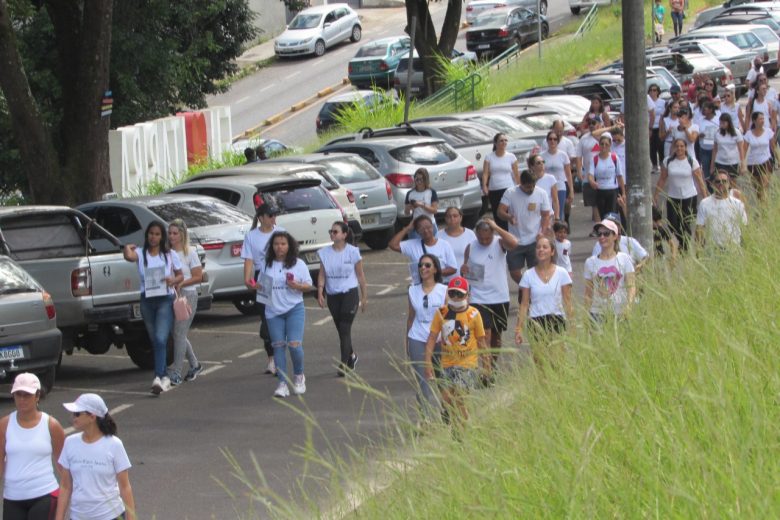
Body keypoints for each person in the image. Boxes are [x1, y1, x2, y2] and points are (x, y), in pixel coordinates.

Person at [122, 221, 183, 395]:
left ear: (161, 236)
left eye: (157, 234)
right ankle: (164, 376)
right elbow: (129, 257)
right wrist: (127, 249)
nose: (153, 237)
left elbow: (180, 275)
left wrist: (173, 280)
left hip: (165, 299)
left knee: (161, 337)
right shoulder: (141, 253)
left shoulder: (169, 254)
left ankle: (159, 376)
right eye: (151, 233)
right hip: (147, 300)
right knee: (155, 339)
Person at [55, 394, 136, 520]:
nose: (73, 418)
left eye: (77, 414)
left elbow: (125, 487)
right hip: (78, 516)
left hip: (110, 516)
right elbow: (65, 486)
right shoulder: (70, 443)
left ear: (92, 416)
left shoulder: (114, 445)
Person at [423, 277, 489, 427]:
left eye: (459, 294)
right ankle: (454, 420)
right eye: (452, 293)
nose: (456, 297)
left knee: (459, 399)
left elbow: (481, 342)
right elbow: (432, 338)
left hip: (467, 364)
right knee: (447, 399)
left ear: (467, 295)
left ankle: (462, 432)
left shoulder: (474, 314)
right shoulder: (441, 313)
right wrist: (427, 364)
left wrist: (487, 366)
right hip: (447, 364)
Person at [0, 373, 64, 520]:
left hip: (45, 495)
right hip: (12, 497)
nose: (22, 399)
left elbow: (63, 466)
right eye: (18, 394)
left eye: (27, 395)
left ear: (37, 396)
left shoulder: (51, 425)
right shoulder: (4, 425)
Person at [259, 231, 314, 398]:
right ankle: (282, 383)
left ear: (289, 246)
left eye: (283, 244)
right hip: (273, 312)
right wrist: (257, 287)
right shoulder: (267, 264)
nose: (279, 247)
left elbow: (308, 286)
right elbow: (264, 290)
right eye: (276, 244)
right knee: (278, 347)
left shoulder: (298, 264)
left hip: (294, 309)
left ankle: (299, 377)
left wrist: (296, 285)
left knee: (295, 345)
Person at [461, 218, 518, 369]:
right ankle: (486, 370)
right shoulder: (471, 247)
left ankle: (492, 366)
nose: (484, 241)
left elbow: (514, 243)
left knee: (496, 335)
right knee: (484, 334)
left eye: (487, 237)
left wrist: (496, 227)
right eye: (481, 238)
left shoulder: (499, 242)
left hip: (499, 296)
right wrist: (464, 271)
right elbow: (465, 268)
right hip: (478, 298)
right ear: (476, 234)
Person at [316, 221, 367, 376]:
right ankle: (352, 356)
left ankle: (344, 364)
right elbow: (322, 274)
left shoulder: (353, 252)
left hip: (349, 293)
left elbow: (360, 274)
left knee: (345, 327)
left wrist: (364, 296)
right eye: (331, 231)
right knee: (341, 330)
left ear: (344, 235)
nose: (332, 234)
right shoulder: (324, 253)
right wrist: (320, 292)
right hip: (333, 295)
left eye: (335, 231)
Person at [515, 236, 573, 367]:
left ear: (552, 252)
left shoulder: (562, 273)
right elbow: (524, 304)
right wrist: (518, 328)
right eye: (538, 247)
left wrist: (572, 324)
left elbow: (568, 302)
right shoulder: (528, 275)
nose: (541, 250)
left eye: (545, 247)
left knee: (558, 360)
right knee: (540, 362)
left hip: (556, 319)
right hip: (536, 321)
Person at [242, 203, 285, 376]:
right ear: (261, 218)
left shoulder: (281, 232)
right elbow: (249, 259)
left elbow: (290, 255)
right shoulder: (252, 236)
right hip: (264, 277)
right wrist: (247, 278)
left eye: (275, 215)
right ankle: (272, 358)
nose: (274, 218)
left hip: (280, 275)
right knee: (266, 318)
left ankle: (280, 352)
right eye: (270, 215)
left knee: (281, 314)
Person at [406, 254, 448, 414]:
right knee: (422, 380)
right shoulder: (412, 290)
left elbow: (448, 319)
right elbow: (410, 318)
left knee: (442, 377)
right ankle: (425, 418)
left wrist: (446, 341)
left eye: (428, 265)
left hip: (438, 339)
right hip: (417, 337)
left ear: (435, 269)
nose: (423, 268)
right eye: (421, 265)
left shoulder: (444, 291)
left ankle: (448, 412)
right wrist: (407, 343)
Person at [497, 170, 553, 284]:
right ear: (520, 183)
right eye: (527, 187)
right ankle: (527, 286)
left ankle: (531, 291)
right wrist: (509, 217)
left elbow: (546, 215)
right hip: (515, 240)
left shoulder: (541, 193)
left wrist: (542, 232)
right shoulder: (510, 192)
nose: (530, 189)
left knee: (537, 270)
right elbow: (500, 212)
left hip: (534, 240)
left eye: (533, 186)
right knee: (514, 272)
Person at [167, 219, 203, 386]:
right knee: (177, 333)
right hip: (173, 296)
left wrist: (181, 283)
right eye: (170, 233)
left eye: (175, 233)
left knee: (179, 333)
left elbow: (198, 276)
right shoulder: (167, 253)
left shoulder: (190, 253)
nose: (172, 236)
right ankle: (195, 364)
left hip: (187, 296)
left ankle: (176, 371)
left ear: (182, 234)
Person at [654, 138, 707, 251]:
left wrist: (705, 197)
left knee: (686, 223)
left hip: (689, 197)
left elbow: (699, 180)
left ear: (685, 148)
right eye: (677, 146)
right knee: (673, 224)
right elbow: (662, 179)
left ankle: (684, 247)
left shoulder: (691, 161)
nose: (679, 148)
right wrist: (656, 195)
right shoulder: (668, 161)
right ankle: (682, 241)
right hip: (673, 197)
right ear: (673, 148)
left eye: (682, 146)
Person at [583, 219, 636, 322]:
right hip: (597, 313)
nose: (602, 237)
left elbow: (631, 285)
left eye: (606, 234)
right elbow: (588, 293)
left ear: (615, 236)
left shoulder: (624, 259)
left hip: (620, 311)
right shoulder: (590, 262)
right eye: (599, 234)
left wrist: (629, 306)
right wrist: (586, 315)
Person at [389, 215, 457, 284]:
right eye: (421, 228)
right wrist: (407, 229)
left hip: (440, 285)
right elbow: (393, 245)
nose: (426, 231)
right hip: (420, 287)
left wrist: (433, 272)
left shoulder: (444, 245)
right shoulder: (412, 245)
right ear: (417, 231)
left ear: (433, 227)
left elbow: (453, 268)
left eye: (428, 227)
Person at [696, 170, 748, 249]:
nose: (721, 184)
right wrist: (699, 249)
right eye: (718, 181)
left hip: (734, 248)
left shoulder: (738, 204)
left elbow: (744, 227)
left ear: (729, 184)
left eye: (724, 181)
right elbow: (699, 228)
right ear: (712, 184)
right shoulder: (704, 203)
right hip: (712, 249)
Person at [481, 133, 519, 230]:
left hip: (508, 188)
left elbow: (516, 174)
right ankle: (501, 232)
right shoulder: (489, 157)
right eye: (501, 140)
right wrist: (484, 185)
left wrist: (519, 186)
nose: (504, 142)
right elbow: (485, 173)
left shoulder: (511, 157)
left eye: (505, 140)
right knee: (497, 213)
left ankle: (511, 231)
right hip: (494, 189)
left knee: (509, 211)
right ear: (495, 143)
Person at [588, 133, 625, 222]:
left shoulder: (614, 158)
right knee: (603, 216)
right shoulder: (595, 159)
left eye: (606, 144)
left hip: (612, 191)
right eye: (602, 144)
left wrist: (623, 193)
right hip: (600, 190)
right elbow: (590, 175)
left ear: (610, 146)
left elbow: (619, 176)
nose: (604, 146)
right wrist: (592, 182)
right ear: (599, 145)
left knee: (612, 216)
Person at [540, 130, 573, 222]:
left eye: (555, 139)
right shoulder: (541, 156)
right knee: (547, 211)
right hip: (546, 187)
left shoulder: (563, 155)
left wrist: (571, 190)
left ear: (558, 141)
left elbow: (568, 174)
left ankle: (559, 232)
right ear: (547, 141)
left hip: (560, 186)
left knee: (559, 211)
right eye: (550, 139)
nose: (552, 141)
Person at [743, 111, 775, 201]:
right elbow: (744, 149)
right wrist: (742, 163)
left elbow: (773, 147)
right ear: (754, 120)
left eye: (763, 118)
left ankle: (764, 206)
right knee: (758, 188)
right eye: (760, 119)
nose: (762, 120)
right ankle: (761, 206)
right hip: (753, 163)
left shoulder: (768, 131)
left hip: (766, 161)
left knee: (764, 185)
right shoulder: (749, 134)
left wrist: (778, 159)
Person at [438, 207, 476, 280]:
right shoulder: (439, 235)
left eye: (455, 216)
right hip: (445, 280)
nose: (452, 218)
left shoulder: (470, 234)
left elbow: (476, 256)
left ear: (461, 217)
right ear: (445, 218)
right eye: (449, 216)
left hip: (465, 279)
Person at [712, 112, 745, 189]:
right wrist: (712, 165)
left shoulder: (736, 132)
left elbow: (741, 149)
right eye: (720, 123)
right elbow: (715, 149)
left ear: (728, 122)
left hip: (733, 162)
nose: (721, 125)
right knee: (721, 182)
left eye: (723, 123)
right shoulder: (717, 133)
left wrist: (742, 164)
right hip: (720, 161)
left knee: (732, 183)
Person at [404, 168, 439, 238]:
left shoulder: (431, 192)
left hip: (430, 224)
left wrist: (421, 205)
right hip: (416, 225)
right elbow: (406, 213)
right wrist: (409, 207)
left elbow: (435, 210)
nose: (419, 181)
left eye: (421, 179)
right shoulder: (410, 193)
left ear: (426, 180)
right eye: (417, 179)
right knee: (416, 247)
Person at [527, 153, 560, 220]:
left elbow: (555, 200)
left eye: (543, 162)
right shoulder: (528, 180)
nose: (542, 164)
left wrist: (556, 217)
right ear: (532, 166)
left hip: (548, 215)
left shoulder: (550, 178)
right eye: (538, 163)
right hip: (534, 217)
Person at [697, 100, 720, 184]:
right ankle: (709, 189)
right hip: (704, 149)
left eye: (705, 109)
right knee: (706, 170)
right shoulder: (700, 120)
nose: (702, 111)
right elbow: (696, 133)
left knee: (716, 170)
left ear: (710, 110)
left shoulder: (718, 118)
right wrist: (700, 135)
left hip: (716, 149)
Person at [649, 84, 666, 173]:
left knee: (660, 146)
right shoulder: (647, 102)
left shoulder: (662, 102)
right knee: (652, 147)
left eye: (655, 90)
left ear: (658, 91)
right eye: (651, 90)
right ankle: (654, 165)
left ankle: (662, 164)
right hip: (650, 127)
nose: (653, 92)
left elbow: (663, 115)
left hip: (659, 127)